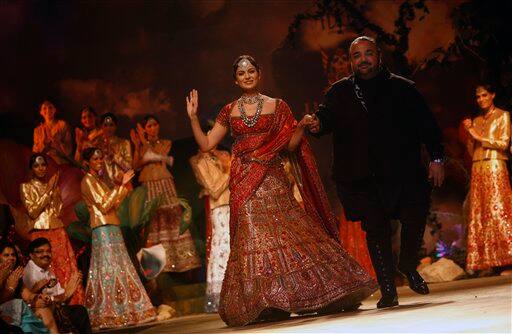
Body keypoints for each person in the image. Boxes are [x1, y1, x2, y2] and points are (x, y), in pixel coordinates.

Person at [186, 55, 377, 326]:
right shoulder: (229, 111)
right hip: (243, 181)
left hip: (273, 179)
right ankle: (264, 302)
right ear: (235, 79)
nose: (247, 76)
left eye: (251, 71)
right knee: (251, 237)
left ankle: (318, 293)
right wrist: (193, 118)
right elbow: (206, 144)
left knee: (287, 230)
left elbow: (289, 146)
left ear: (259, 74)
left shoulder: (277, 106)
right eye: (241, 73)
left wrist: (299, 127)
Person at [308, 36, 445, 308]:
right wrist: (315, 124)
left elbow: (427, 126)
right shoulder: (339, 92)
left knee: (414, 216)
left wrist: (437, 158)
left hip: (403, 172)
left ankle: (407, 264)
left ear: (378, 56)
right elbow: (325, 119)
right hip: (362, 176)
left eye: (368, 53)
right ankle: (388, 291)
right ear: (351, 61)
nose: (363, 59)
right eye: (357, 55)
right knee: (376, 229)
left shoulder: (403, 89)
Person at [80, 147, 156, 329]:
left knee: (121, 267)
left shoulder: (99, 181)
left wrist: (122, 187)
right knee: (108, 269)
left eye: (101, 159)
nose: (99, 162)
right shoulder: (88, 181)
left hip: (112, 225)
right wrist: (120, 186)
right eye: (95, 159)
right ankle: (109, 313)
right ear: (87, 163)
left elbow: (115, 203)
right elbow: (105, 206)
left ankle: (128, 310)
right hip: (102, 228)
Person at [131, 115, 201, 273]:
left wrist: (144, 141)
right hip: (149, 186)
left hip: (164, 183)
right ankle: (156, 266)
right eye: (148, 126)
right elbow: (136, 166)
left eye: (155, 124)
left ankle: (181, 262)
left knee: (172, 219)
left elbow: (157, 156)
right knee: (153, 223)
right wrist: (137, 145)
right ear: (145, 128)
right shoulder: (141, 145)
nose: (152, 128)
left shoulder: (166, 143)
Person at [20, 154, 84, 305]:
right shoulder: (26, 187)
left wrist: (53, 191)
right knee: (43, 270)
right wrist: (48, 191)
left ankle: (73, 304)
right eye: (36, 165)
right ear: (31, 168)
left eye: (43, 165)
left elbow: (57, 211)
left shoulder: (53, 186)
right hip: (39, 232)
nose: (40, 168)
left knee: (65, 269)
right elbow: (33, 211)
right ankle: (48, 306)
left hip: (58, 230)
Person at [463, 84, 512, 272]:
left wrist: (477, 135)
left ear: (492, 95)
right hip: (478, 167)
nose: (481, 99)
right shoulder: (476, 120)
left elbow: (504, 143)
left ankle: (506, 258)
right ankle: (486, 261)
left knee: (498, 209)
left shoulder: (502, 115)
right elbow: (471, 150)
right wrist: (470, 135)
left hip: (495, 166)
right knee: (480, 212)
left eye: (485, 95)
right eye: (478, 97)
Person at [190, 147, 231, 312]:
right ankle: (221, 294)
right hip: (219, 208)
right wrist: (229, 172)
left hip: (231, 205)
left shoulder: (222, 157)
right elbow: (214, 190)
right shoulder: (201, 163)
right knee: (222, 249)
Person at [23, 238, 91, 334]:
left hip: (54, 309)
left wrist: (70, 291)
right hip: (41, 312)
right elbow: (41, 301)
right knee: (79, 312)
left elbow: (62, 299)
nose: (45, 254)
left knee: (78, 311)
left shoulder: (47, 271)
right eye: (40, 252)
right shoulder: (30, 272)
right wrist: (64, 295)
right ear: (31, 255)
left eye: (48, 251)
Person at [0, 242, 50, 333]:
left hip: (16, 311)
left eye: (13, 255)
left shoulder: (16, 274)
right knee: (18, 304)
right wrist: (10, 288)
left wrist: (38, 297)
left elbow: (27, 295)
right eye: (6, 255)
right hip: (4, 311)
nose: (11, 258)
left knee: (43, 308)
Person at [97, 113, 133, 185]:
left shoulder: (125, 143)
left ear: (116, 126)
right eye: (105, 125)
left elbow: (129, 168)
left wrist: (115, 156)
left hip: (122, 186)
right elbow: (95, 170)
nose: (108, 128)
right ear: (101, 127)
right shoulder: (97, 145)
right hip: (102, 187)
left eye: (111, 125)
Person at [32, 101, 72, 165]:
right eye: (44, 108)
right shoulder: (37, 130)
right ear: (41, 112)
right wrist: (43, 144)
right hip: (44, 164)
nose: (48, 110)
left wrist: (57, 142)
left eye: (50, 107)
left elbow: (69, 150)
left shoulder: (62, 125)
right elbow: (35, 153)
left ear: (54, 110)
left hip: (61, 163)